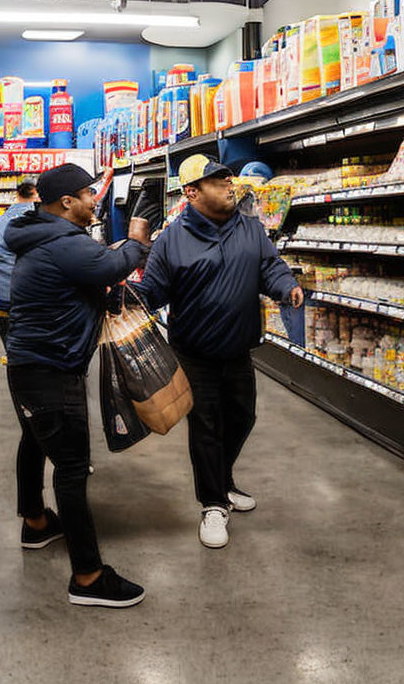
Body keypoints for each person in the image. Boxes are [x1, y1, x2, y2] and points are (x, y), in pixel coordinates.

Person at [135, 154, 303, 549]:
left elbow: (270, 267)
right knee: (207, 429)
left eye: (228, 178)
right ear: (192, 192)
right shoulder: (171, 240)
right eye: (218, 181)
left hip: (239, 350)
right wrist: (126, 298)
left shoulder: (250, 229)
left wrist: (286, 286)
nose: (230, 185)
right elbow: (153, 292)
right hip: (194, 355)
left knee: (243, 417)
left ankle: (222, 480)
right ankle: (212, 503)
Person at [5, 163, 150, 608]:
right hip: (51, 371)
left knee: (33, 441)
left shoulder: (42, 237)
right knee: (71, 468)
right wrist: (139, 240)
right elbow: (114, 262)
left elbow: (78, 284)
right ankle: (88, 576)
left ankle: (35, 523)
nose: (94, 201)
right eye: (88, 194)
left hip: (28, 366)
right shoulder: (63, 242)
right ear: (67, 202)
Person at [0, 179, 38, 355]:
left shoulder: (2, 220)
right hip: (28, 293)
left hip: (3, 293)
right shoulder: (36, 219)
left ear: (17, 195)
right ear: (36, 194)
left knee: (11, 345)